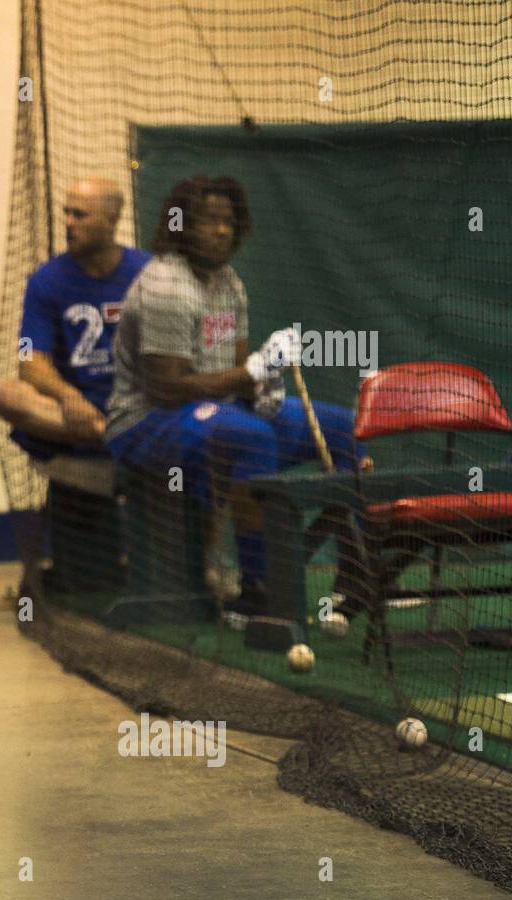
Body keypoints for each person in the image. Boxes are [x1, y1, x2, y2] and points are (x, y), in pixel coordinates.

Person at [102, 175, 362, 615]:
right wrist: (251, 372)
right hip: (144, 421)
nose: (221, 230)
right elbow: (166, 388)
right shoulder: (166, 284)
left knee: (342, 429)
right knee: (250, 437)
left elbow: (237, 372)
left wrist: (264, 385)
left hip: (209, 409)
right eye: (208, 220)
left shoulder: (229, 284)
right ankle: (258, 590)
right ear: (181, 224)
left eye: (229, 221)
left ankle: (352, 575)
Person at [0, 176, 151, 459]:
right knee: (3, 393)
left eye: (80, 215)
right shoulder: (44, 281)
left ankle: (126, 435)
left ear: (112, 220)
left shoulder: (148, 273)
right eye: (66, 212)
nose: (69, 222)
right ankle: (112, 438)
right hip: (78, 411)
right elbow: (29, 360)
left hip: (139, 404)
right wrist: (69, 397)